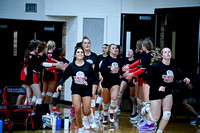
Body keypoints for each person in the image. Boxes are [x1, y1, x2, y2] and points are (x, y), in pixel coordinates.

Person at [140, 47, 190, 133]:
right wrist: (158, 87)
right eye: (165, 52)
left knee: (167, 114)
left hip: (167, 92)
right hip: (155, 92)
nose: (168, 53)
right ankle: (147, 108)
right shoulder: (156, 66)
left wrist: (185, 79)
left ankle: (159, 131)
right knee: (155, 118)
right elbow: (147, 79)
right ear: (162, 55)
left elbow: (179, 77)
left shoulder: (173, 67)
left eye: (169, 52)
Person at [56, 45, 97, 133]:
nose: (80, 53)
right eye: (78, 52)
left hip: (86, 90)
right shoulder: (71, 66)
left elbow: (94, 77)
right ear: (75, 55)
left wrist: (87, 81)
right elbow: (64, 76)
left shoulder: (88, 65)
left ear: (83, 55)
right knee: (77, 110)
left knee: (86, 111)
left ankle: (90, 117)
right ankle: (81, 128)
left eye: (81, 52)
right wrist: (60, 84)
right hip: (76, 90)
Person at [25, 41, 64, 114]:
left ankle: (29, 114)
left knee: (30, 97)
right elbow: (44, 64)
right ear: (35, 48)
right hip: (33, 78)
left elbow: (45, 65)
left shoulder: (31, 56)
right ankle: (36, 114)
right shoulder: (35, 57)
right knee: (38, 97)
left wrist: (56, 64)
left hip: (31, 78)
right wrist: (56, 65)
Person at [100, 44, 122, 124]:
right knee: (105, 101)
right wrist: (109, 69)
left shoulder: (119, 60)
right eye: (113, 48)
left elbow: (121, 70)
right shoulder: (106, 59)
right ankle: (105, 115)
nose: (115, 49)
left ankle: (111, 113)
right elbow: (102, 69)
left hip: (115, 81)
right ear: (109, 50)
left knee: (114, 97)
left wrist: (123, 73)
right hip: (106, 81)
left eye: (116, 48)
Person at [115, 49, 136, 117]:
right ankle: (117, 108)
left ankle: (134, 109)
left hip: (132, 79)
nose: (129, 53)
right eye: (128, 52)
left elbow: (136, 71)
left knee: (132, 96)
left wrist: (134, 78)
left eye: (131, 52)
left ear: (133, 54)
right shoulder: (125, 60)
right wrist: (121, 75)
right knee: (120, 93)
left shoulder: (135, 61)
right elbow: (121, 69)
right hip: (125, 79)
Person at [81, 36, 99, 115]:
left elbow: (98, 68)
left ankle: (92, 116)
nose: (87, 45)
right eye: (85, 43)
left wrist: (100, 76)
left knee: (92, 97)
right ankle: (84, 116)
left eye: (88, 43)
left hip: (94, 79)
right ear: (82, 45)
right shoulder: (80, 55)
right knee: (84, 97)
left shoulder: (94, 55)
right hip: (84, 79)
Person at [95, 44, 108, 120]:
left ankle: (103, 113)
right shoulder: (99, 57)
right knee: (98, 94)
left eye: (105, 48)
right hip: (99, 77)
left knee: (104, 97)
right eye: (102, 48)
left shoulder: (109, 58)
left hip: (107, 78)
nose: (103, 49)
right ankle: (98, 112)